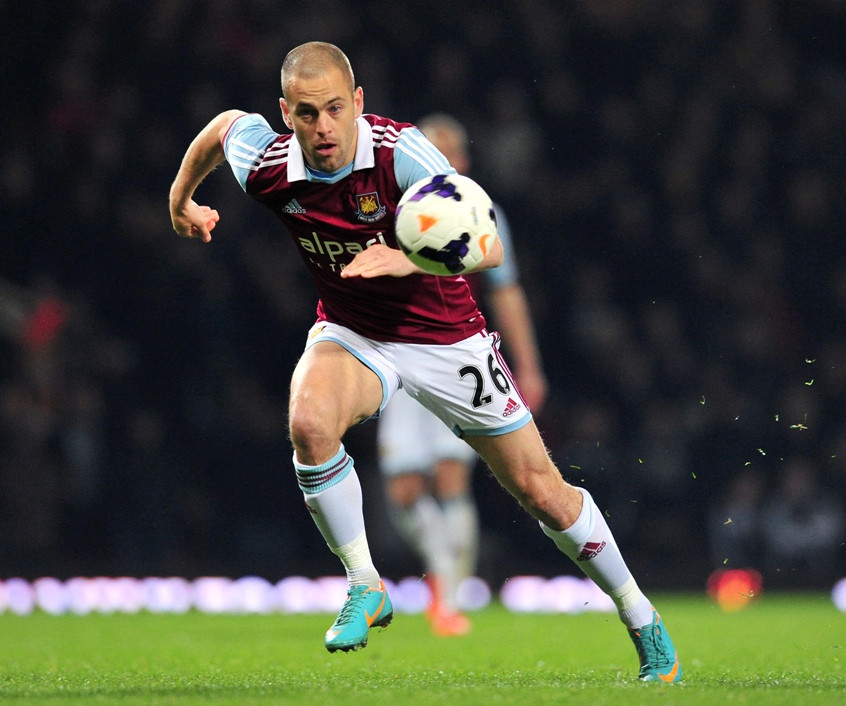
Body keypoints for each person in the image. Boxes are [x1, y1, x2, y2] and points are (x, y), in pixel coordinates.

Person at [168, 41, 680, 683]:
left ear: (357, 103)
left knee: (540, 492)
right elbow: (222, 130)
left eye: (334, 109)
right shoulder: (270, 164)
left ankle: (641, 619)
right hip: (354, 332)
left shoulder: (402, 153)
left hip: (446, 338)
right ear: (286, 114)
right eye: (306, 114)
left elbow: (489, 243)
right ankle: (365, 584)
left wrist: (405, 258)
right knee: (308, 422)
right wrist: (180, 198)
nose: (323, 128)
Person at [376, 113, 548, 637]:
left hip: (455, 355)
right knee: (404, 488)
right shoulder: (391, 204)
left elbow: (506, 289)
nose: (442, 162)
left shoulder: (480, 212)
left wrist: (529, 366)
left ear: (465, 163)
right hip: (395, 355)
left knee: (451, 478)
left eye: (451, 153)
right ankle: (444, 585)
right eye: (432, 151)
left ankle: (447, 599)